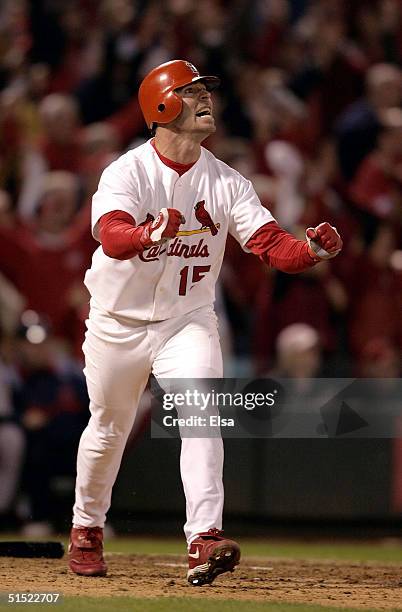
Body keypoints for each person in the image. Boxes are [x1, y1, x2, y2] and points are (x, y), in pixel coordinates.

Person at [68, 60, 342, 586]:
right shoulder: (127, 171)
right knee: (108, 428)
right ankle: (86, 528)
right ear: (162, 105)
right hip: (116, 321)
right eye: (191, 92)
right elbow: (109, 234)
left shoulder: (226, 181)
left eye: (204, 92)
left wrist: (309, 251)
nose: (204, 100)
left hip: (185, 319)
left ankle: (204, 537)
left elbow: (269, 245)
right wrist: (150, 233)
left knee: (201, 412)